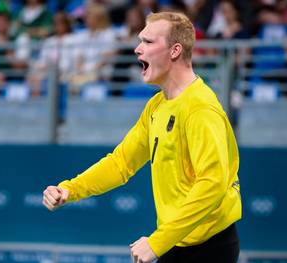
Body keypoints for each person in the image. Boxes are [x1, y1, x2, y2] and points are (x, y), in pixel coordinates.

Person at [43, 11, 242, 263]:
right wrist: (70, 189)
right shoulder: (157, 105)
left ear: (175, 51)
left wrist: (157, 242)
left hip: (209, 248)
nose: (138, 49)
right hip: (175, 242)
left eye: (148, 42)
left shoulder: (200, 109)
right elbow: (121, 163)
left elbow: (212, 184)